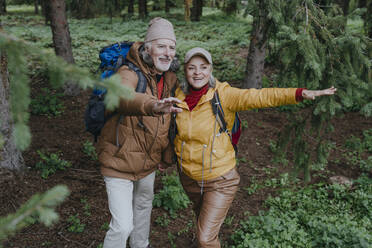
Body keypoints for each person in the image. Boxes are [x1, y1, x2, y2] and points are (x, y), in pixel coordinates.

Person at [171, 47, 337, 248]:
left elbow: (262, 96)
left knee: (205, 238)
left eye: (203, 67)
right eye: (192, 68)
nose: (198, 73)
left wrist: (299, 93)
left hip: (220, 179)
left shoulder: (224, 95)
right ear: (185, 71)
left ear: (211, 69)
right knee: (204, 225)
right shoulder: (177, 96)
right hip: (189, 177)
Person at [97, 17, 182, 248]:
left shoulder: (170, 78)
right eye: (161, 46)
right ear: (147, 48)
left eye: (172, 47)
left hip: (147, 162)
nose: (168, 53)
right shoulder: (129, 70)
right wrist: (153, 105)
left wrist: (165, 157)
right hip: (118, 160)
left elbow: (169, 124)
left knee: (144, 206)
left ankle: (141, 245)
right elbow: (122, 96)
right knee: (123, 224)